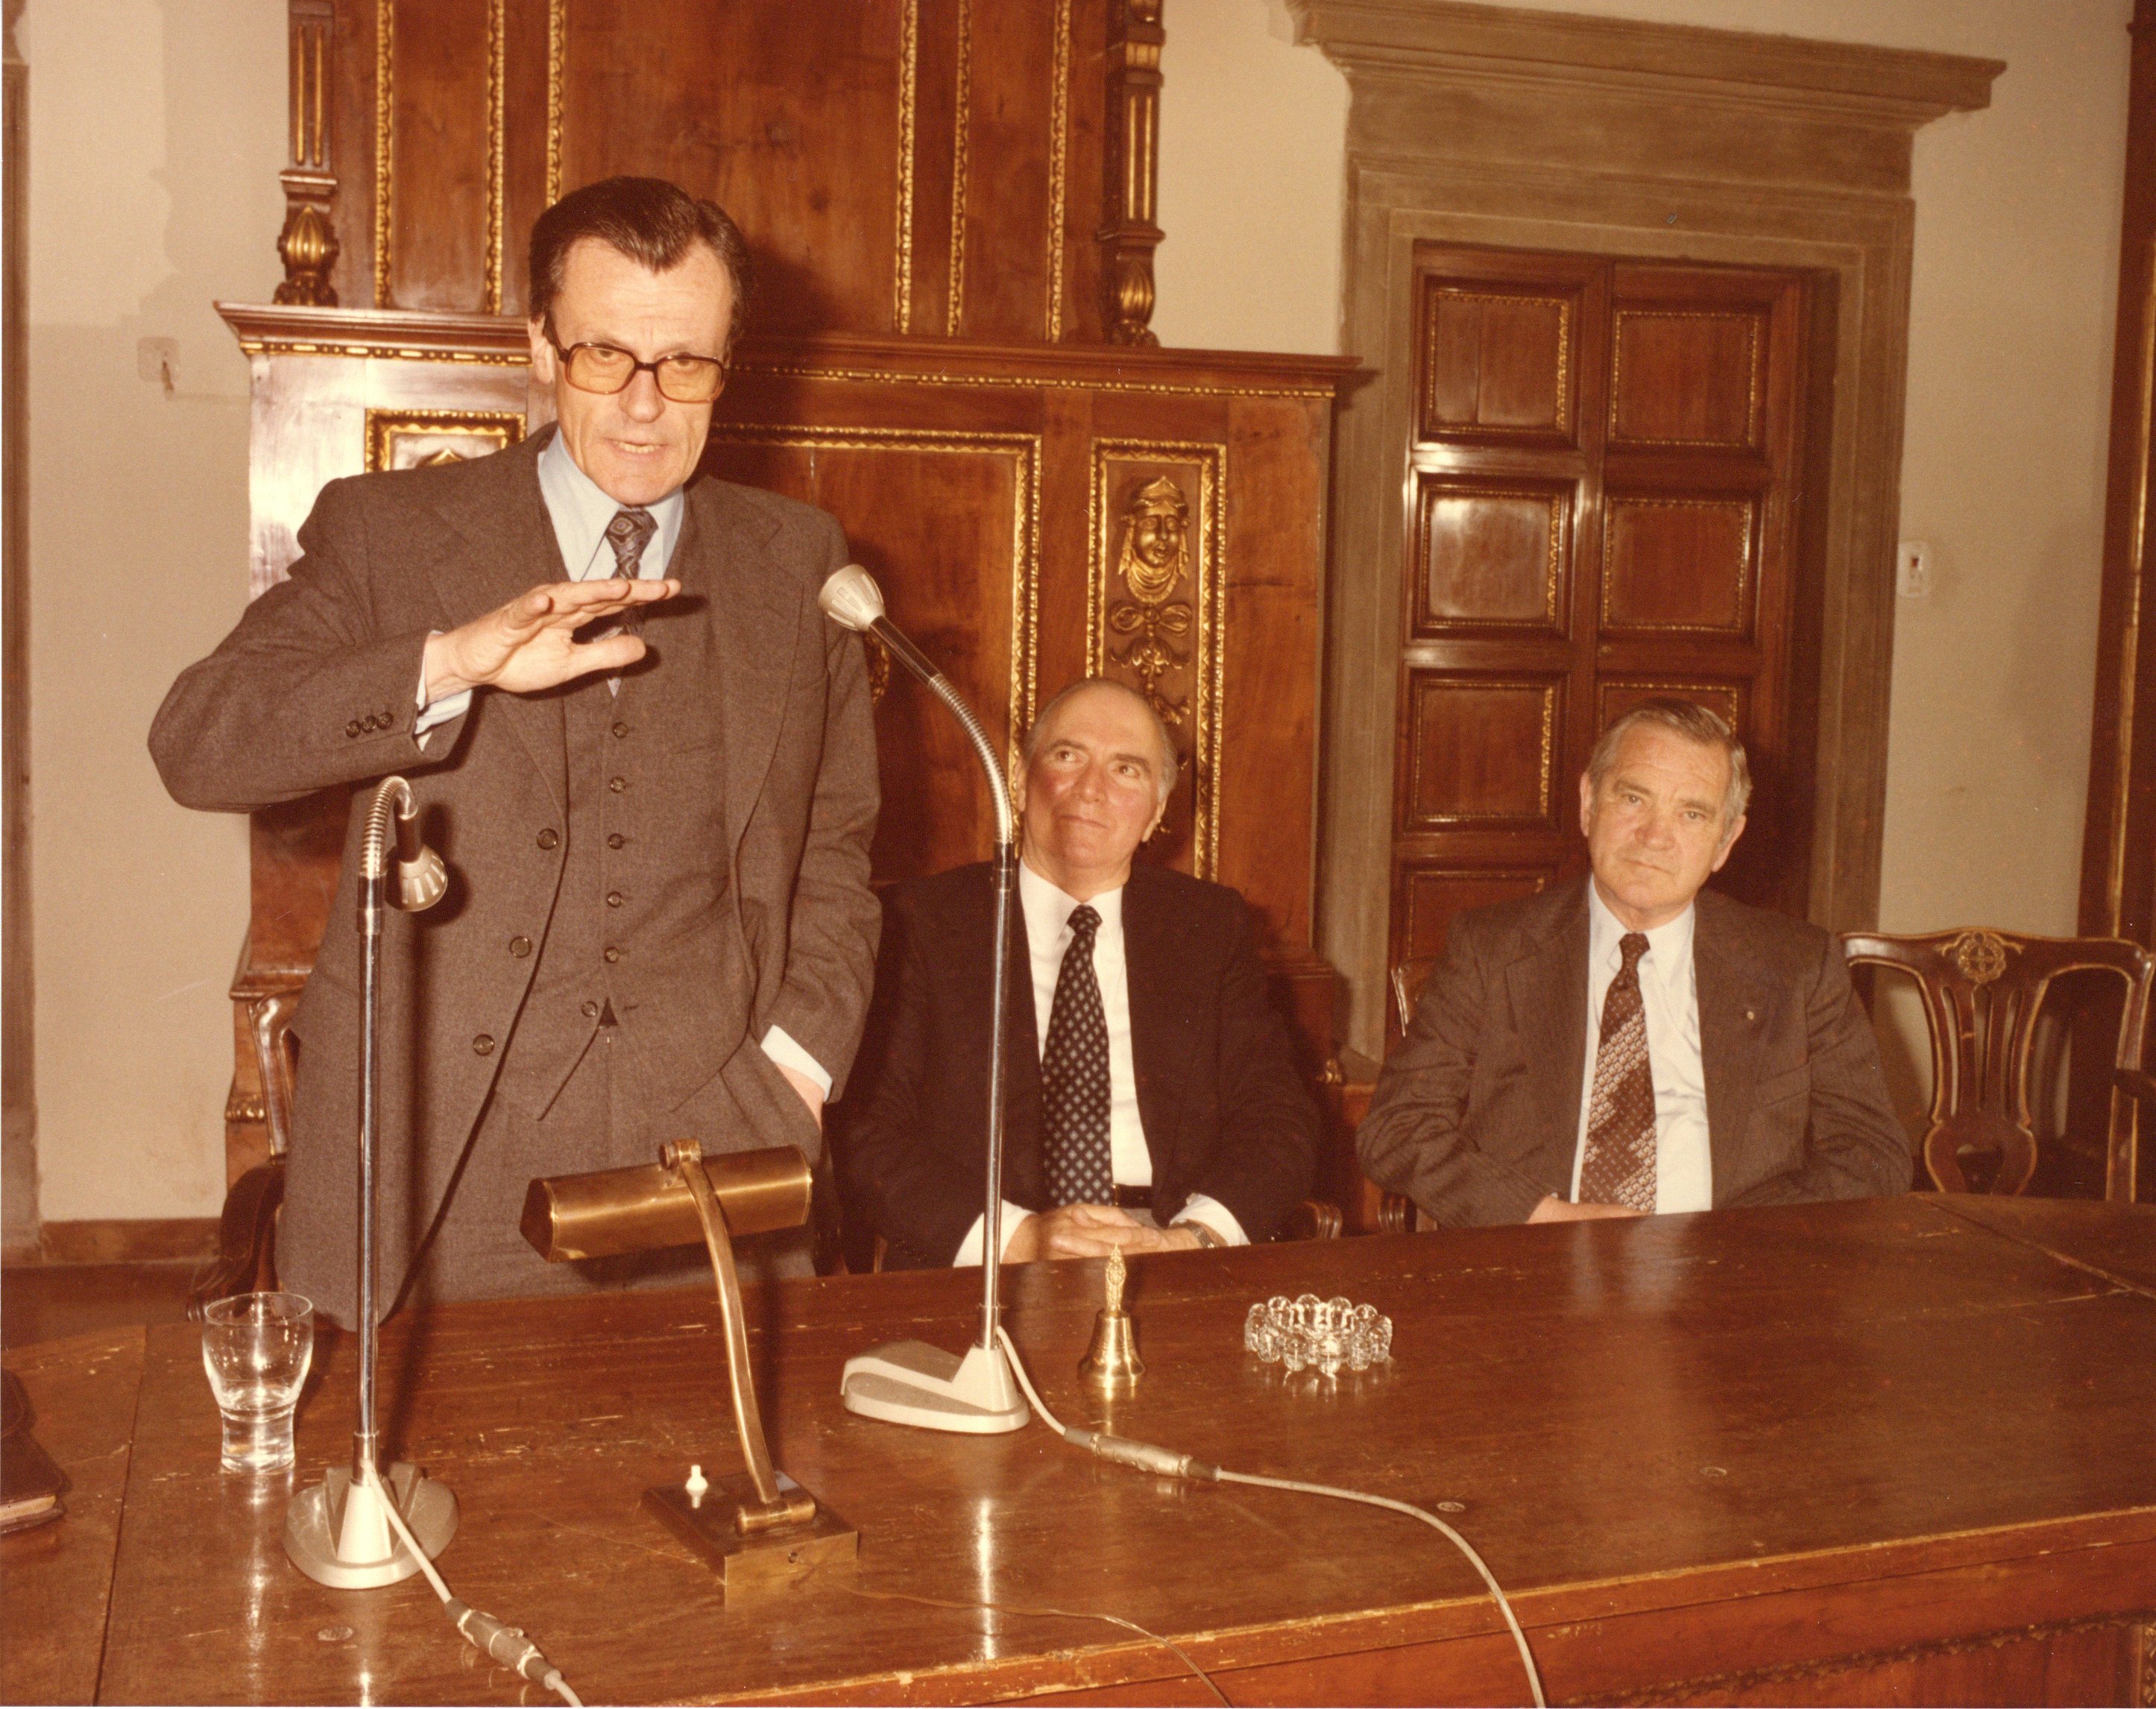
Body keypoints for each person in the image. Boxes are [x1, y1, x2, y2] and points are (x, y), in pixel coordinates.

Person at [151, 177, 880, 1324]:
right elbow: (199, 740)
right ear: (539, 345)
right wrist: (448, 663)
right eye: (605, 355)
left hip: (721, 1144)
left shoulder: (799, 561)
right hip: (437, 1163)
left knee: (719, 1437)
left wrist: (799, 1065)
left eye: (685, 363)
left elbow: (837, 847)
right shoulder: (391, 536)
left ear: (729, 362)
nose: (645, 406)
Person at [1360, 698, 1908, 1229]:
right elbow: (1397, 1126)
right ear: (1588, 803)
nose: (1654, 837)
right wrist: (1540, 1218)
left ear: (1725, 840)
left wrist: (1738, 1242)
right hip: (1537, 1259)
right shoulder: (1492, 950)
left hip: (1732, 1267)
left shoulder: (1798, 966)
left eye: (1691, 813)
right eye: (1633, 799)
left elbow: (1872, 1154)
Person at [839, 678, 1317, 1269]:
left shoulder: (1208, 925)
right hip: (990, 1258)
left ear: (1156, 814)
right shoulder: (922, 921)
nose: (1092, 790)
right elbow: (870, 1134)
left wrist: (1192, 1239)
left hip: (1167, 1243)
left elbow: (1279, 1117)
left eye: (1126, 770)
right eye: (1068, 756)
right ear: (1019, 780)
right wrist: (1014, 1239)